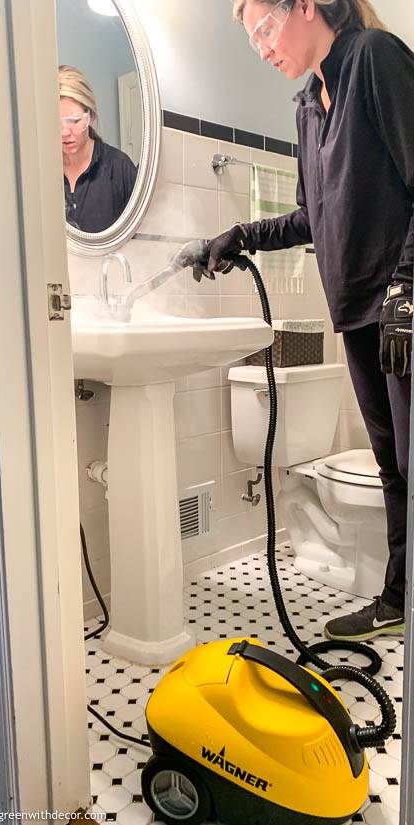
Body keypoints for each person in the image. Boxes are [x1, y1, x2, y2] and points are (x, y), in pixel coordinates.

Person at [204, 0, 414, 641]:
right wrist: (241, 233)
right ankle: (400, 598)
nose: (263, 48)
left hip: (401, 310)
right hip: (355, 315)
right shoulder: (306, 107)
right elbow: (309, 216)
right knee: (393, 467)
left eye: (265, 27)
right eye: (253, 40)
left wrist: (406, 289)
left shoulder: (374, 60)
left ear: (307, 6)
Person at [59, 65, 138, 233]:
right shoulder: (41, 175)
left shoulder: (119, 168)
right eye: (56, 123)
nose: (65, 133)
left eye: (74, 121)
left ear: (91, 117)